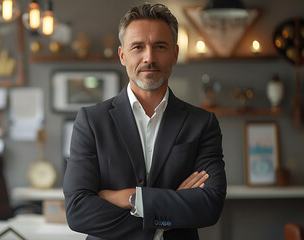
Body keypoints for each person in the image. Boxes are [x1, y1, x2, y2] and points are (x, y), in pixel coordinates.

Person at [63, 3, 227, 240]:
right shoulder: (91, 121)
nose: (149, 57)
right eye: (138, 47)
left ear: (175, 54)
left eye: (160, 46)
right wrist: (169, 208)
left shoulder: (202, 123)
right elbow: (78, 211)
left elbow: (209, 206)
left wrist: (131, 198)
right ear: (122, 55)